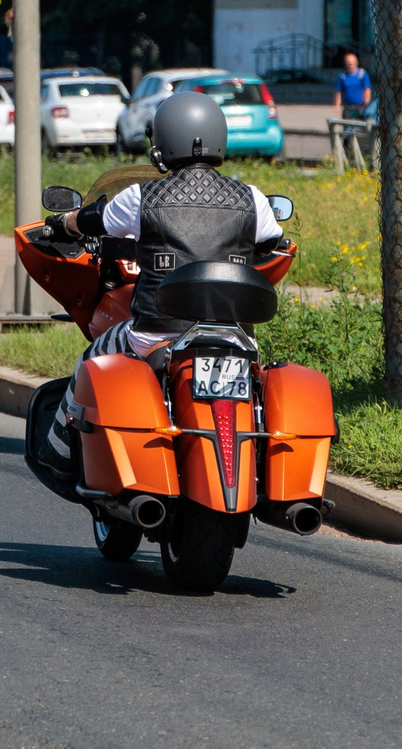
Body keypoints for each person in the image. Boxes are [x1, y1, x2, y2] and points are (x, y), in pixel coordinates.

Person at [29, 90, 284, 483]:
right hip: (234, 337)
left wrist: (63, 223)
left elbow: (96, 220)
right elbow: (274, 239)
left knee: (92, 357)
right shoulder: (251, 198)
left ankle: (58, 449)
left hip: (156, 335)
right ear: (220, 139)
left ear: (162, 142)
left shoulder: (142, 196)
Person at [333, 49, 374, 121]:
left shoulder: (362, 74)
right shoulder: (342, 76)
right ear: (345, 64)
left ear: (356, 62)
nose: (350, 65)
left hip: (360, 106)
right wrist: (337, 105)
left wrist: (367, 102)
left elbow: (367, 88)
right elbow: (338, 92)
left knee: (360, 126)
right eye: (348, 63)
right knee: (347, 126)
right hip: (348, 106)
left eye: (352, 63)